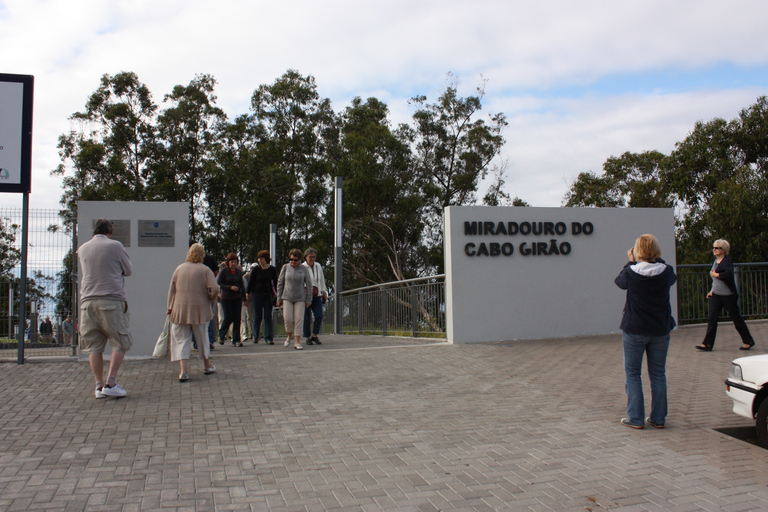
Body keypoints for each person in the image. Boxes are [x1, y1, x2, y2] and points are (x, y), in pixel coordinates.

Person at [615, 234, 677, 429]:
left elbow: (620, 282)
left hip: (635, 329)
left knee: (633, 374)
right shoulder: (666, 271)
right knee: (658, 374)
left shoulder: (632, 271)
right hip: (660, 329)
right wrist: (655, 258)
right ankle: (658, 418)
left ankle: (636, 417)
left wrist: (630, 261)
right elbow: (671, 277)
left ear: (637, 251)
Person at [77, 219, 133, 399]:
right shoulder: (115, 245)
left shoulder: (83, 248)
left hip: (87, 302)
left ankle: (99, 386)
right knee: (120, 341)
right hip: (111, 300)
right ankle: (111, 382)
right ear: (111, 230)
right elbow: (128, 270)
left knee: (94, 346)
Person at [167, 243, 219, 382]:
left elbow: (172, 289)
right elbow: (215, 288)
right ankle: (207, 366)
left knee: (181, 339)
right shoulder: (205, 270)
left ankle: (183, 371)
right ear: (202, 255)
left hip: (180, 309)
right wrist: (211, 299)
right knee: (202, 338)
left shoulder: (179, 269)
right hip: (200, 309)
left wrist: (169, 307)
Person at [695, 239, 756, 352]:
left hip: (728, 295)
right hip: (717, 295)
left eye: (717, 248)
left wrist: (716, 274)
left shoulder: (727, 261)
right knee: (712, 318)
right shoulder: (715, 261)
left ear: (724, 250)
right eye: (714, 247)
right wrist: (712, 290)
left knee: (736, 318)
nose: (714, 249)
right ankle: (707, 344)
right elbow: (715, 280)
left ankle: (748, 341)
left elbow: (728, 273)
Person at [277, 248, 311, 350]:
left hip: (300, 297)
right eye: (291, 259)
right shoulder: (285, 267)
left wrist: (309, 299)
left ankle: (297, 341)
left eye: (295, 260)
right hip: (287, 296)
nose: (292, 262)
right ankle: (290, 334)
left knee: (299, 319)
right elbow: (280, 283)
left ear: (300, 259)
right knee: (287, 318)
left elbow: (309, 284)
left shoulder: (304, 269)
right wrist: (279, 298)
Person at [246, 250, 278, 345]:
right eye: (259, 258)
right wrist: (248, 293)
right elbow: (251, 282)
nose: (260, 260)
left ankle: (269, 337)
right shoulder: (256, 269)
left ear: (266, 259)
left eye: (262, 258)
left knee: (268, 316)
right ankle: (256, 335)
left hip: (268, 295)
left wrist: (277, 295)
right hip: (257, 294)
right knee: (257, 316)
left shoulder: (272, 269)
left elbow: (275, 283)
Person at [217, 253, 246, 347]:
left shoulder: (238, 272)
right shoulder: (224, 271)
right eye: (232, 262)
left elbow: (241, 284)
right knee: (228, 317)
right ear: (228, 262)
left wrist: (244, 297)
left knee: (237, 318)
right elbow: (219, 283)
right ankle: (221, 334)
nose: (233, 264)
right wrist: (230, 287)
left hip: (237, 298)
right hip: (226, 298)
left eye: (235, 262)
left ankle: (236, 339)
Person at [302, 248, 328, 345]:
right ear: (306, 257)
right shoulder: (302, 267)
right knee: (307, 317)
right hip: (306, 295)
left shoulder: (318, 266)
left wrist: (323, 291)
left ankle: (315, 334)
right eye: (310, 257)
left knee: (319, 315)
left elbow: (321, 279)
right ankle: (307, 336)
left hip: (317, 294)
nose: (312, 259)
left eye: (314, 257)